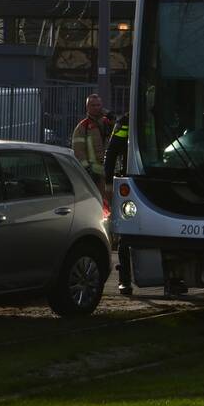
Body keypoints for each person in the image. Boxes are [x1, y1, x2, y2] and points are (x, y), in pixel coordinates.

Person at [103, 111, 132, 296]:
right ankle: (125, 279)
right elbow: (112, 152)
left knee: (126, 235)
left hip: (147, 177)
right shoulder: (127, 121)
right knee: (126, 234)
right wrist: (108, 183)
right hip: (131, 180)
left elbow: (111, 152)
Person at [72, 94, 113, 192]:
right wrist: (87, 171)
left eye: (98, 105)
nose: (96, 108)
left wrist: (112, 117)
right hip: (95, 176)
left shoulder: (108, 123)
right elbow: (78, 152)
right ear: (87, 107)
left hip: (110, 174)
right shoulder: (82, 127)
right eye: (93, 105)